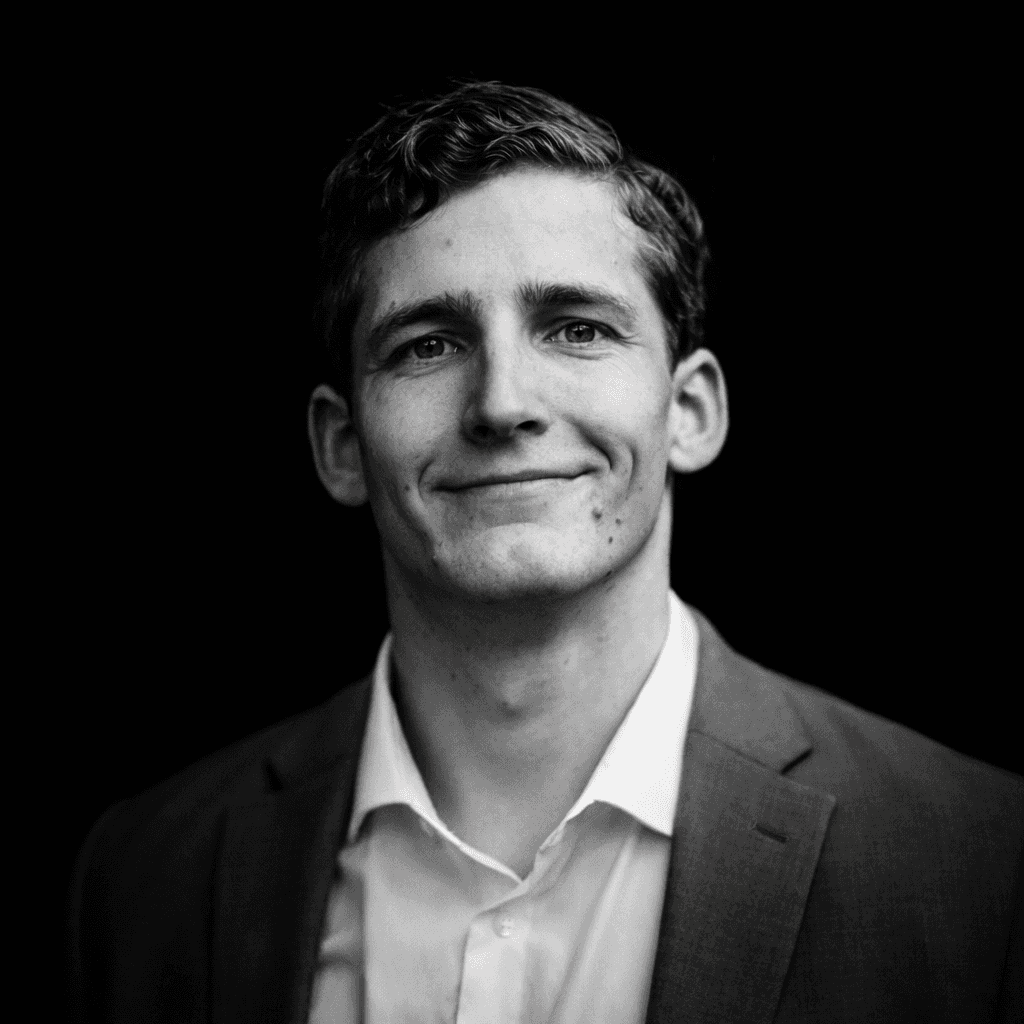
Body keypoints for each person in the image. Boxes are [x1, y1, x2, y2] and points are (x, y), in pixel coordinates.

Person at [67, 81, 1022, 1023]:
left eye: (577, 329)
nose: (502, 403)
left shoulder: (984, 860)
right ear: (341, 444)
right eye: (429, 345)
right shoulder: (147, 872)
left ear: (690, 412)